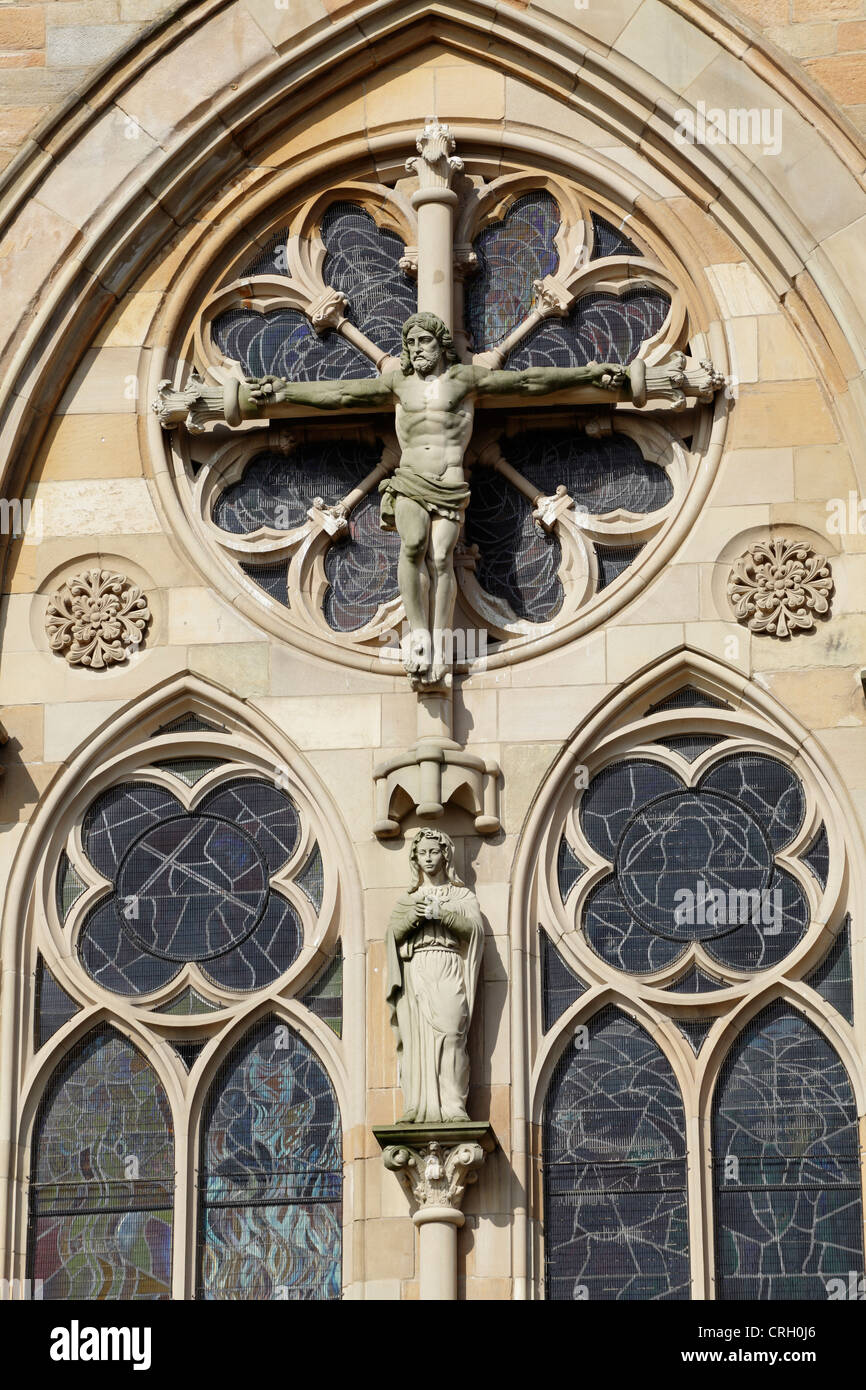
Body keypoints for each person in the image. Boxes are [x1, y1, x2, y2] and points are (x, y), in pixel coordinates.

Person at [245, 312, 628, 685]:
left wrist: (587, 374)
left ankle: (440, 637)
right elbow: (340, 393)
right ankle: (419, 636)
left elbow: (527, 383)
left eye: (424, 341)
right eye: (410, 343)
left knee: (443, 558)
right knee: (412, 547)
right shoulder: (399, 385)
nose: (416, 349)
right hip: (410, 477)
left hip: (450, 482)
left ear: (441, 344)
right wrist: (282, 392)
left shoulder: (463, 380)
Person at [383, 829, 484, 1124]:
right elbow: (392, 935)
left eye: (433, 852)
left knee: (453, 1032)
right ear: (415, 858)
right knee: (417, 1040)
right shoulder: (408, 899)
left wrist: (443, 914)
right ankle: (417, 1104)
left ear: (445, 855)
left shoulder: (461, 895)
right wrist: (416, 916)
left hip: (449, 963)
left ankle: (453, 1104)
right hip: (417, 967)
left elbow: (475, 931)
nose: (428, 858)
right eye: (422, 853)